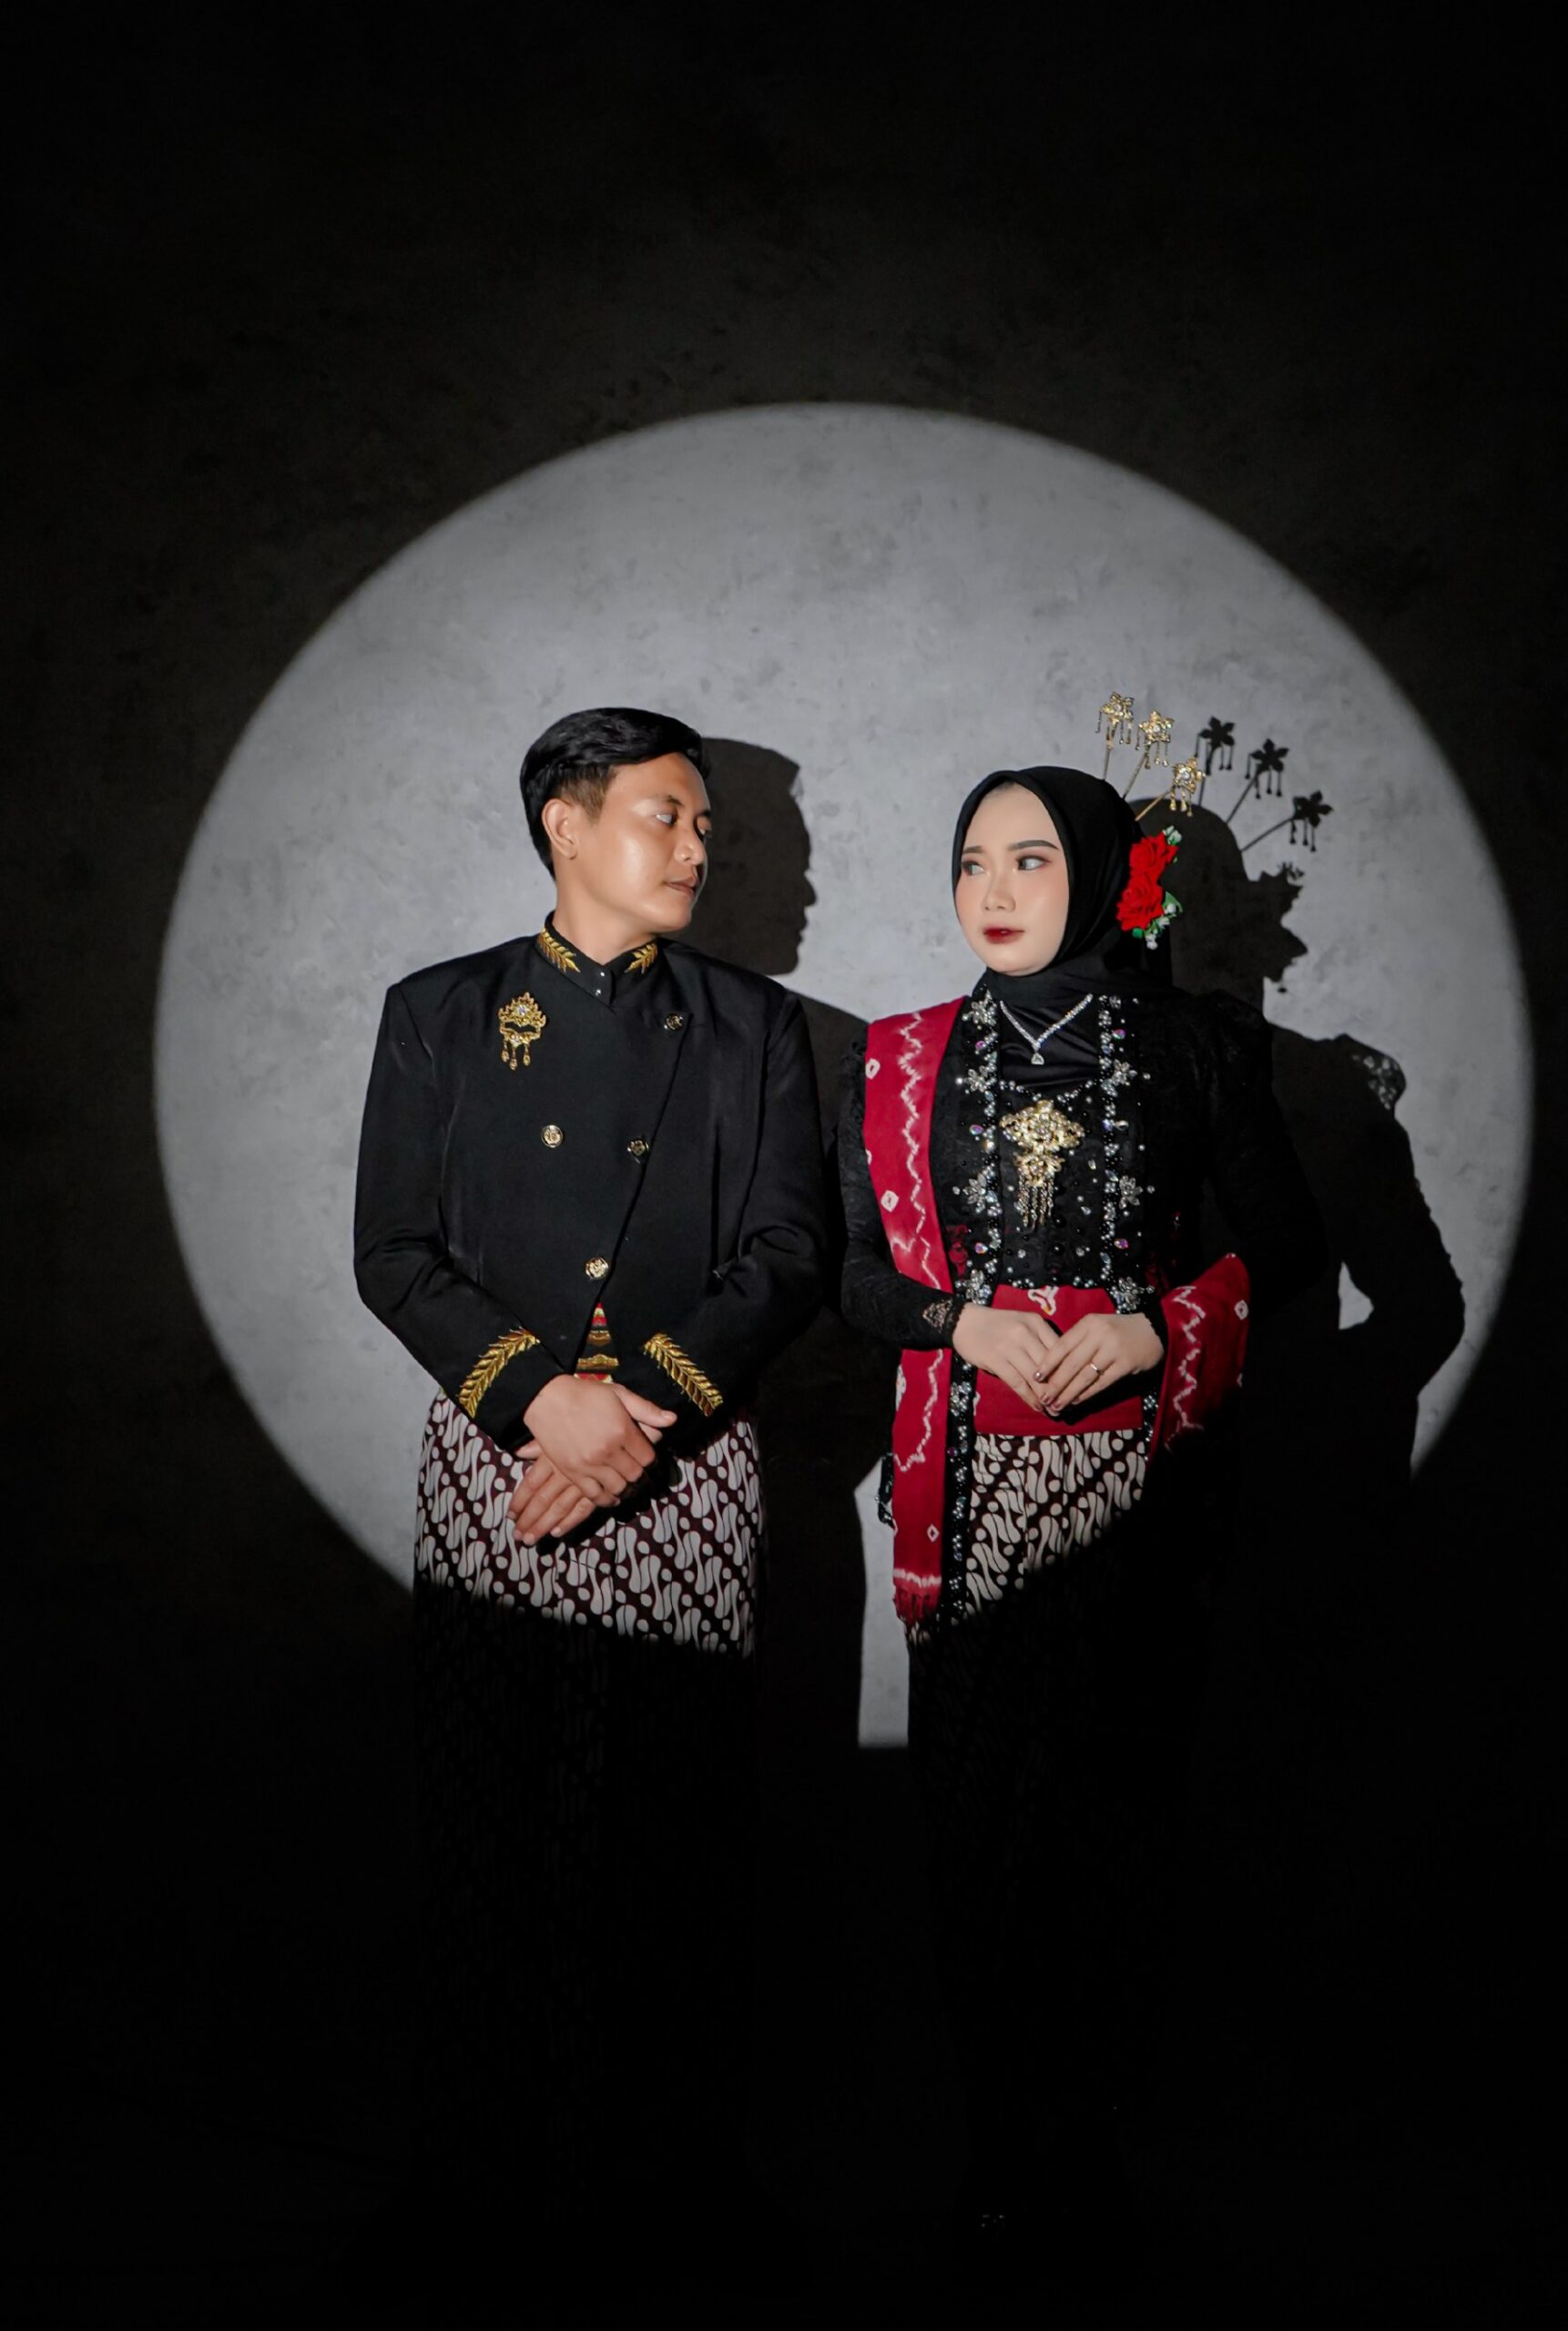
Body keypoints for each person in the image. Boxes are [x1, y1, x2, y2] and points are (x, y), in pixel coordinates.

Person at [836, 764, 1327, 2265]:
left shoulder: (1198, 1048)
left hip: (1146, 1489)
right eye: (971, 861)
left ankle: (1093, 2144)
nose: (991, 891)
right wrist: (956, 1322)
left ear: (1107, 878)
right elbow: (851, 1274)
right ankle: (995, 2137)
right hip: (971, 1489)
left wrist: (1154, 1329)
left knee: (1117, 1814)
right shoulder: (900, 1058)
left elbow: (1291, 1255)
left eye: (1030, 860)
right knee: (978, 1825)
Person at [353, 706, 827, 2241]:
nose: (697, 849)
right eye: (665, 816)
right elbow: (392, 1253)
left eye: (705, 827)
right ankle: (475, 2183)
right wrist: (537, 1399)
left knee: (680, 1824)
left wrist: (636, 1412)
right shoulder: (439, 1012)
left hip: (689, 1453)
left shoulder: (753, 1026)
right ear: (566, 823)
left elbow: (789, 1253)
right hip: (500, 1452)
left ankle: (683, 2182)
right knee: (491, 1816)